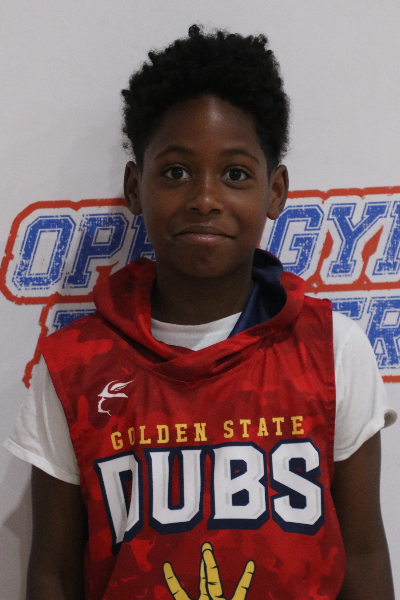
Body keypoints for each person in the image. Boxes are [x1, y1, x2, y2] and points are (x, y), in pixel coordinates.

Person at [4, 24, 396, 600]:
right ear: (135, 187)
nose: (205, 199)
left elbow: (363, 557)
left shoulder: (333, 352)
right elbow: (53, 573)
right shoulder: (74, 367)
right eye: (176, 172)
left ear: (275, 191)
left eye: (235, 174)